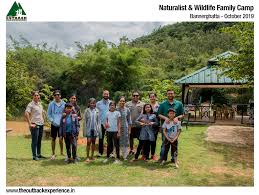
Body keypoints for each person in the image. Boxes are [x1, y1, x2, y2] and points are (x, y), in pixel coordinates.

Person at [157, 89, 184, 163]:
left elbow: (183, 114)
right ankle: (162, 158)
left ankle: (173, 158)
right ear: (167, 95)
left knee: (174, 143)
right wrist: (166, 118)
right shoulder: (163, 104)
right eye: (169, 94)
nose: (170, 95)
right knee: (164, 142)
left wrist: (177, 117)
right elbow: (159, 114)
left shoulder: (179, 104)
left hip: (175, 127)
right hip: (166, 127)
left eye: (171, 93)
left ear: (174, 94)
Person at [25, 91, 46, 161]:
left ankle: (39, 154)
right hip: (34, 124)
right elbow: (26, 113)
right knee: (35, 140)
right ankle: (34, 156)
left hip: (41, 124)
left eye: (38, 95)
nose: (37, 96)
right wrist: (30, 124)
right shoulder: (30, 104)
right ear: (33, 96)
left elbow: (42, 112)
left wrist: (43, 120)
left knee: (39, 140)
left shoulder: (40, 104)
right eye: (35, 95)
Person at [47, 90, 66, 160]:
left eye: (58, 95)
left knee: (61, 138)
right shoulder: (51, 104)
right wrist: (52, 121)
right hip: (54, 124)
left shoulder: (64, 103)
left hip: (61, 124)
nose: (57, 96)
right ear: (54, 96)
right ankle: (53, 152)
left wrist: (64, 117)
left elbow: (66, 112)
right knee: (53, 138)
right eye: (55, 95)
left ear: (60, 96)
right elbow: (48, 114)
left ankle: (61, 152)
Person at [125, 91, 144, 155]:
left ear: (139, 96)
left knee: (140, 137)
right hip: (130, 124)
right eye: (134, 95)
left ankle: (142, 149)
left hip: (139, 124)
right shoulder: (127, 104)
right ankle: (131, 150)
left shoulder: (142, 104)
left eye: (137, 95)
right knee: (130, 138)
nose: (135, 97)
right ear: (132, 96)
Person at [83, 98, 101, 163]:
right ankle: (87, 157)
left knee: (93, 142)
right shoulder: (86, 111)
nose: (92, 104)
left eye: (94, 103)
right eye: (91, 103)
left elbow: (98, 121)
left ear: (95, 104)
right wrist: (84, 130)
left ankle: (92, 156)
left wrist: (99, 130)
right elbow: (85, 121)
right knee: (88, 142)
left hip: (95, 129)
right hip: (89, 129)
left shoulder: (97, 111)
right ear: (89, 104)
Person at [96, 90, 112, 157]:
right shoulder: (98, 103)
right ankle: (100, 152)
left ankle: (110, 153)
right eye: (105, 94)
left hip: (109, 123)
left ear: (109, 95)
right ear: (102, 94)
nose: (106, 95)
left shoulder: (111, 102)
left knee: (110, 139)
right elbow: (96, 113)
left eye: (107, 94)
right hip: (101, 123)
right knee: (100, 138)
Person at [117, 96, 132, 160]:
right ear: (119, 102)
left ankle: (124, 156)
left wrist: (129, 130)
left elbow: (129, 120)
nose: (122, 102)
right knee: (118, 141)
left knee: (125, 141)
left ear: (125, 102)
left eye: (123, 101)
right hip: (117, 128)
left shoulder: (127, 109)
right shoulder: (116, 109)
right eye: (121, 101)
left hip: (125, 127)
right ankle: (117, 155)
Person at [148, 92, 160, 160]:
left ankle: (152, 155)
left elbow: (159, 115)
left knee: (153, 140)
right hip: (147, 125)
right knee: (147, 140)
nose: (152, 98)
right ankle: (145, 154)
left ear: (155, 97)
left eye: (153, 96)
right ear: (149, 98)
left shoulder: (158, 105)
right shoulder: (147, 105)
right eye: (151, 97)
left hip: (155, 125)